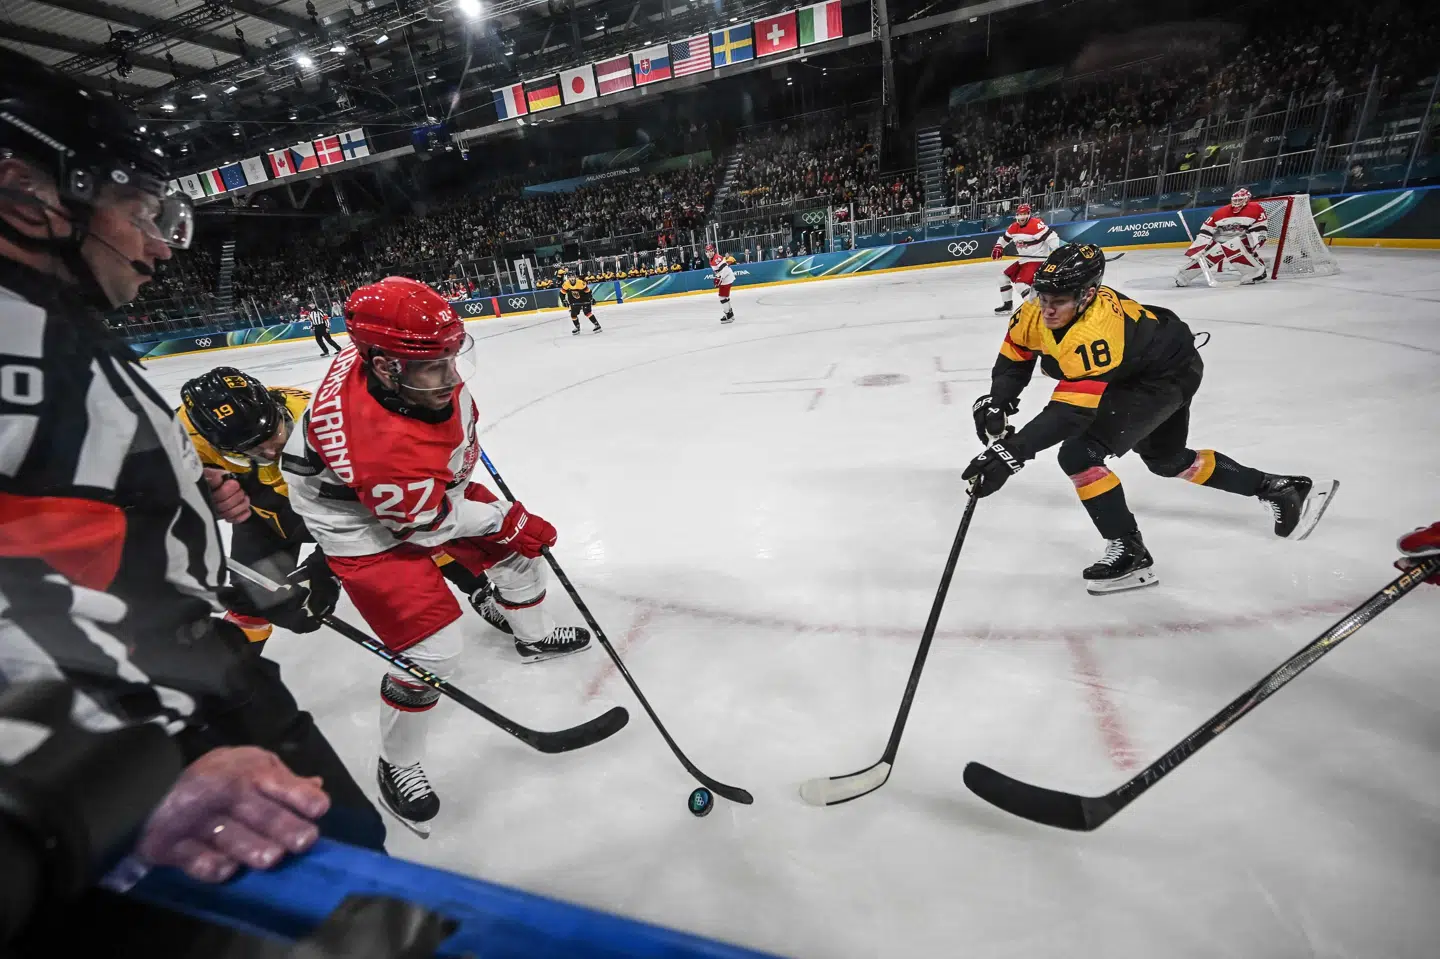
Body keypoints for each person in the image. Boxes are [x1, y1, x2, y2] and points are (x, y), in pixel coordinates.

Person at [0, 51, 384, 881]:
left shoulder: (49, 325)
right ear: (28, 194)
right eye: (138, 210)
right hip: (151, 729)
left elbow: (62, 540)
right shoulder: (23, 349)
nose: (161, 246)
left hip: (176, 684)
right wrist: (115, 758)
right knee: (341, 883)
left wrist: (193, 531)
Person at [281, 276, 592, 835]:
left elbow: (433, 473)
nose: (451, 376)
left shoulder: (391, 372)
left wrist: (460, 455)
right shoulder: (378, 445)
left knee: (518, 561)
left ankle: (533, 637)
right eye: (434, 366)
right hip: (358, 520)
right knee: (432, 653)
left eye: (453, 356)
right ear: (384, 366)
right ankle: (396, 762)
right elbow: (422, 526)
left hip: (420, 488)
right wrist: (506, 518)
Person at [962, 244, 1338, 594]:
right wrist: (999, 401)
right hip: (1144, 366)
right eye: (1043, 298)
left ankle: (1130, 553)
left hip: (1163, 376)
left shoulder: (1095, 331)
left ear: (1087, 295)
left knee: (1078, 454)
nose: (1047, 309)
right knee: (1167, 461)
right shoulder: (1037, 310)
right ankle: (1280, 488)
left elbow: (1070, 414)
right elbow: (1016, 352)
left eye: (1058, 301)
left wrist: (1010, 455)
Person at [178, 366, 515, 647]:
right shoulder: (178, 440)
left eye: (277, 433)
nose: (272, 452)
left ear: (277, 406)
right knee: (261, 605)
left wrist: (327, 566)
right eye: (251, 450)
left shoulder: (323, 420)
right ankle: (227, 696)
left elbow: (375, 514)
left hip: (321, 501)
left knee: (414, 528)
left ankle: (479, 590)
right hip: (260, 514)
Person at [1176, 187, 1270, 286]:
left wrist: (1257, 241)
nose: (1237, 202)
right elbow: (1206, 231)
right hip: (1220, 239)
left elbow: (1259, 228)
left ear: (1247, 199)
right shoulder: (1221, 212)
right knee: (1207, 255)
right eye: (1235, 200)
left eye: (1240, 200)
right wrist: (1197, 248)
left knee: (1235, 247)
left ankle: (1255, 273)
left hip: (1241, 239)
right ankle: (1184, 276)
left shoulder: (1255, 208)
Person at [992, 202, 1062, 315]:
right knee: (1002, 277)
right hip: (1024, 260)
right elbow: (1004, 239)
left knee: (1021, 285)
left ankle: (1035, 309)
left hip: (1037, 260)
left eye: (1024, 214)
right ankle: (1007, 305)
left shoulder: (1036, 225)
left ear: (1029, 214)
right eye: (1020, 214)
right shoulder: (1013, 227)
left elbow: (1052, 237)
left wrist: (1057, 251)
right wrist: (998, 247)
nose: (1022, 217)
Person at [557, 267, 601, 335]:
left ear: (575, 277)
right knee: (573, 314)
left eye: (573, 277)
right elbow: (562, 293)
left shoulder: (580, 282)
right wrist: (563, 301)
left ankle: (597, 325)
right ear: (568, 278)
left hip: (584, 299)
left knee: (587, 312)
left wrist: (591, 298)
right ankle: (577, 327)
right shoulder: (566, 284)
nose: (572, 278)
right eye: (570, 277)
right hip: (574, 300)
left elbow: (588, 291)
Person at [706, 242, 736, 324]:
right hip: (725, 278)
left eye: (711, 251)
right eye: (708, 251)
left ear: (714, 251)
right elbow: (719, 271)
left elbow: (725, 269)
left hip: (726, 278)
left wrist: (719, 278)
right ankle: (730, 314)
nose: (709, 253)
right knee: (724, 296)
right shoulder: (712, 259)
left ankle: (728, 316)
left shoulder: (717, 258)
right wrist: (718, 277)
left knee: (722, 297)